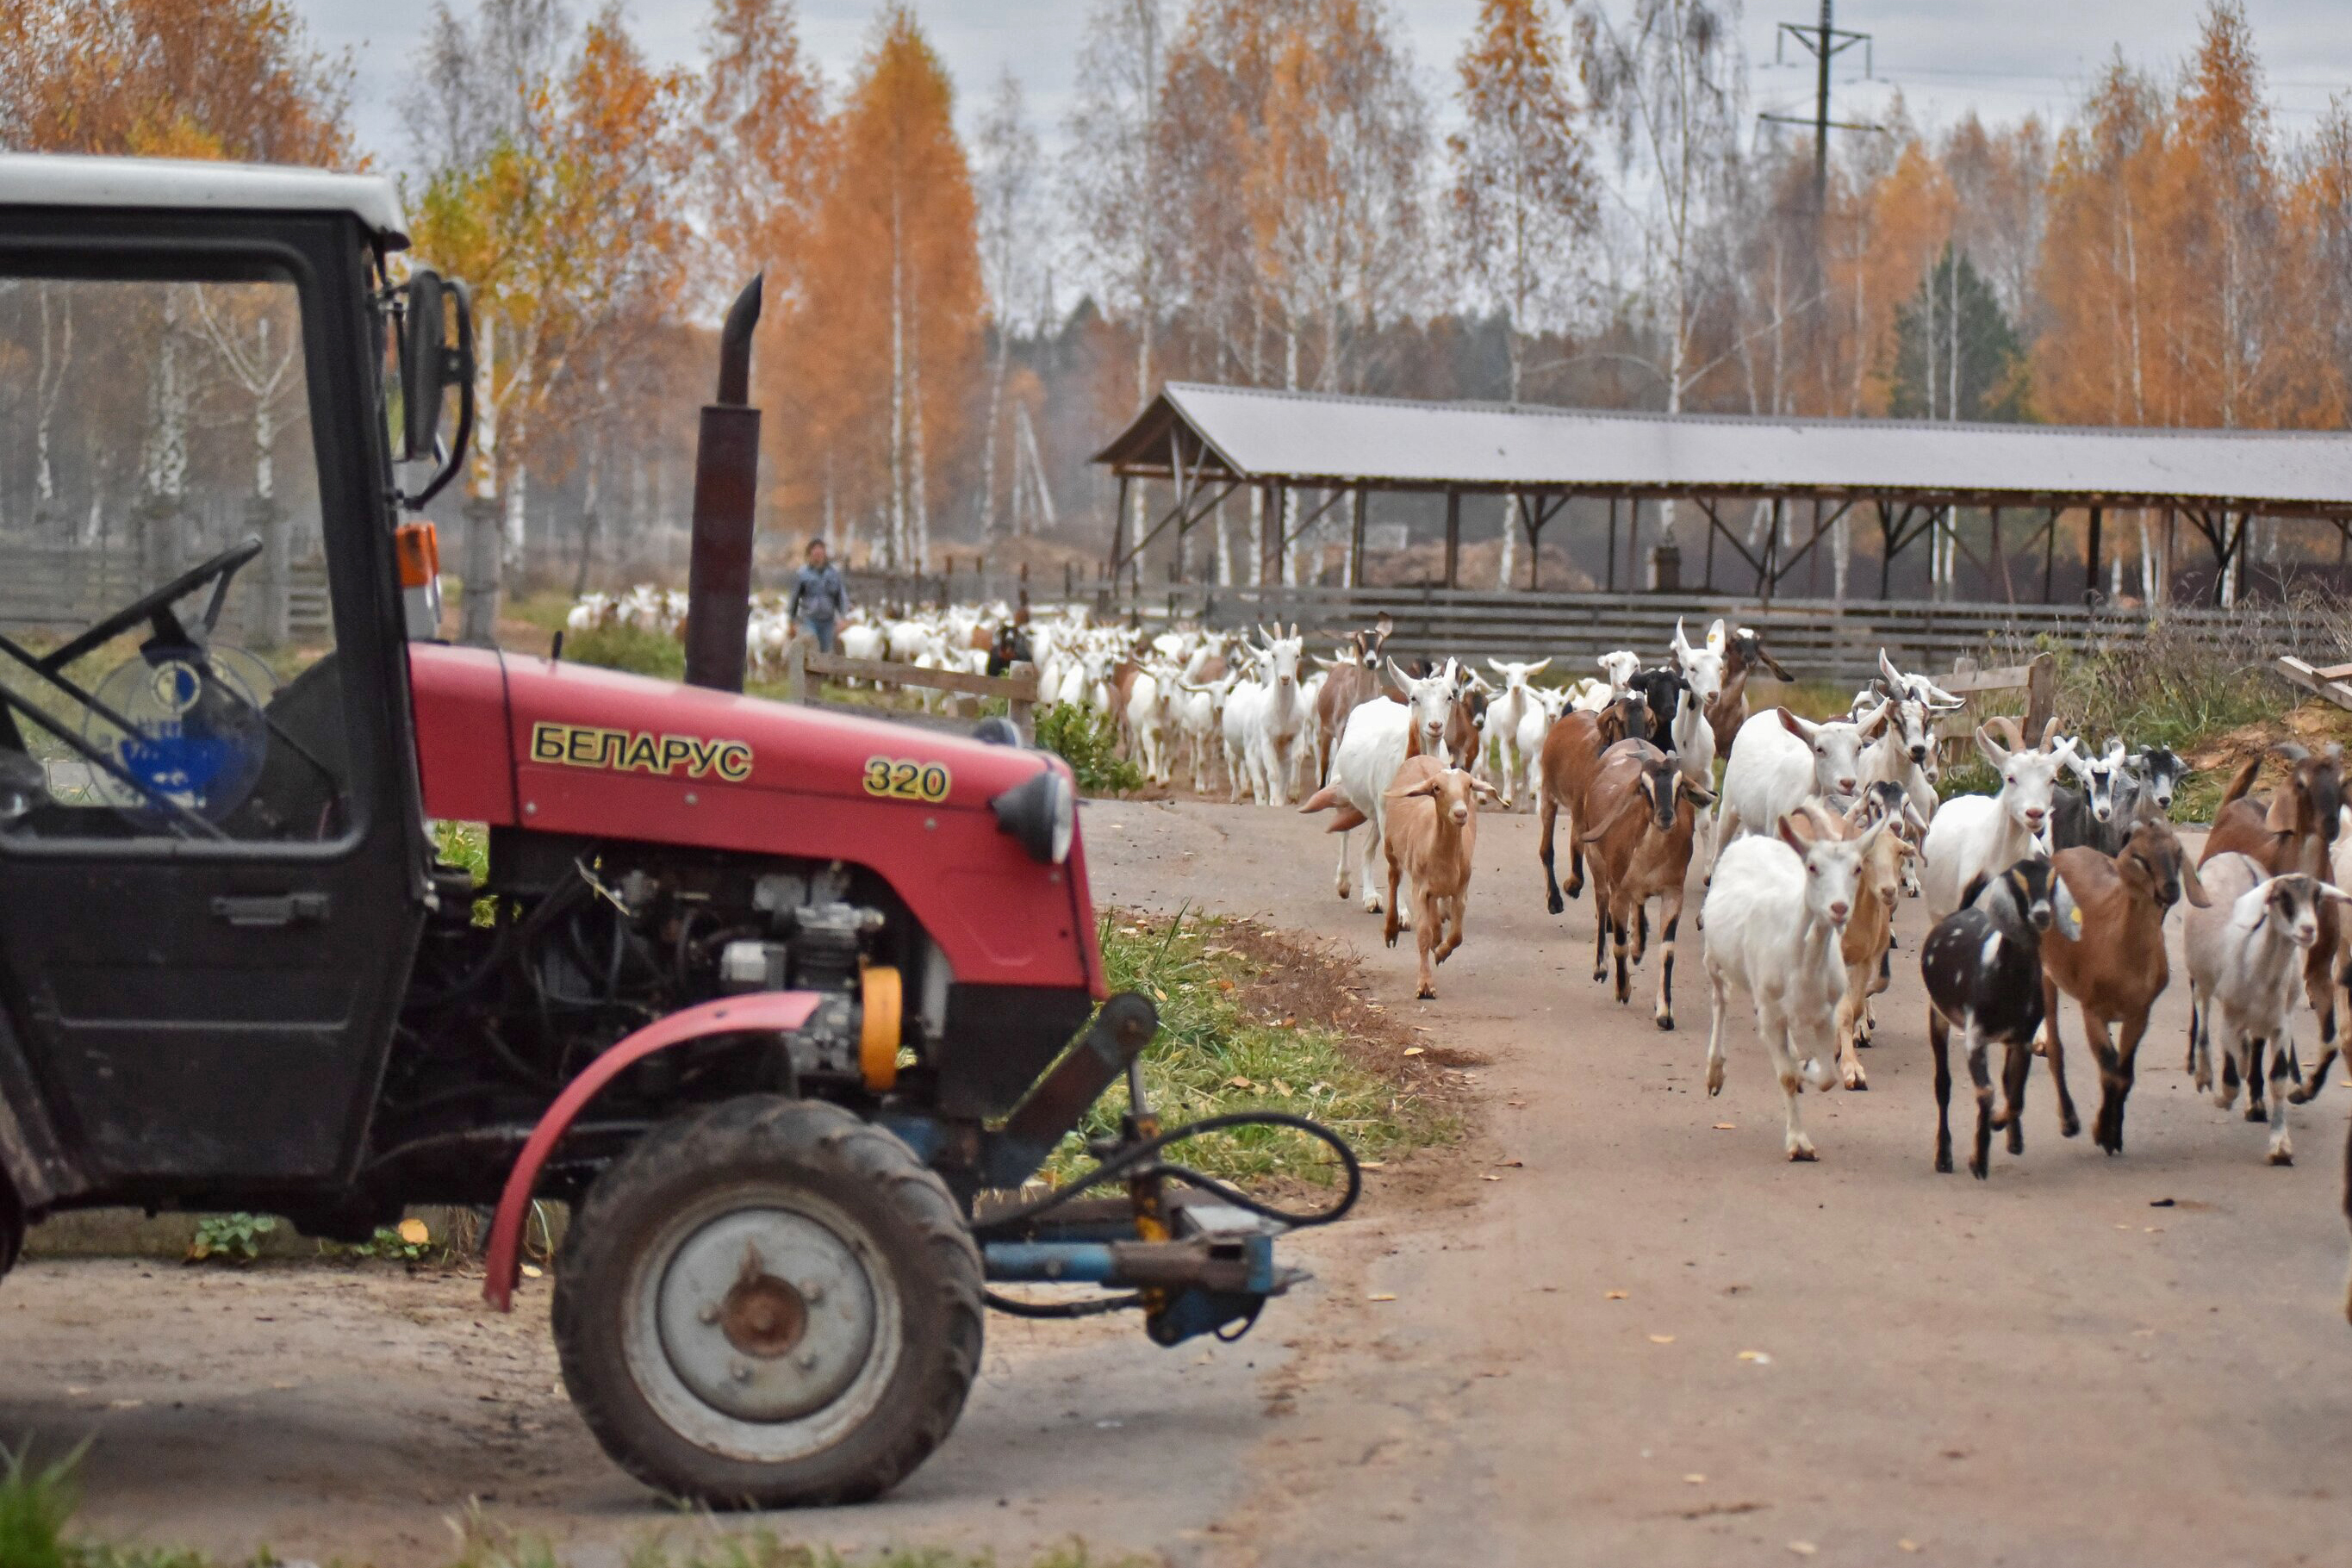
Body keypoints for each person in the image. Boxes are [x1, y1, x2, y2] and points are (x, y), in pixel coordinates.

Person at [788, 538, 849, 652]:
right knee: (810, 649)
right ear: (810, 555)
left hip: (828, 622)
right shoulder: (803, 574)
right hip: (809, 620)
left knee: (826, 654)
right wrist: (792, 621)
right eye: (815, 553)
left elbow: (841, 596)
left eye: (820, 552)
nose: (818, 555)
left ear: (824, 554)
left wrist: (844, 618)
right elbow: (794, 598)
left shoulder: (833, 574)